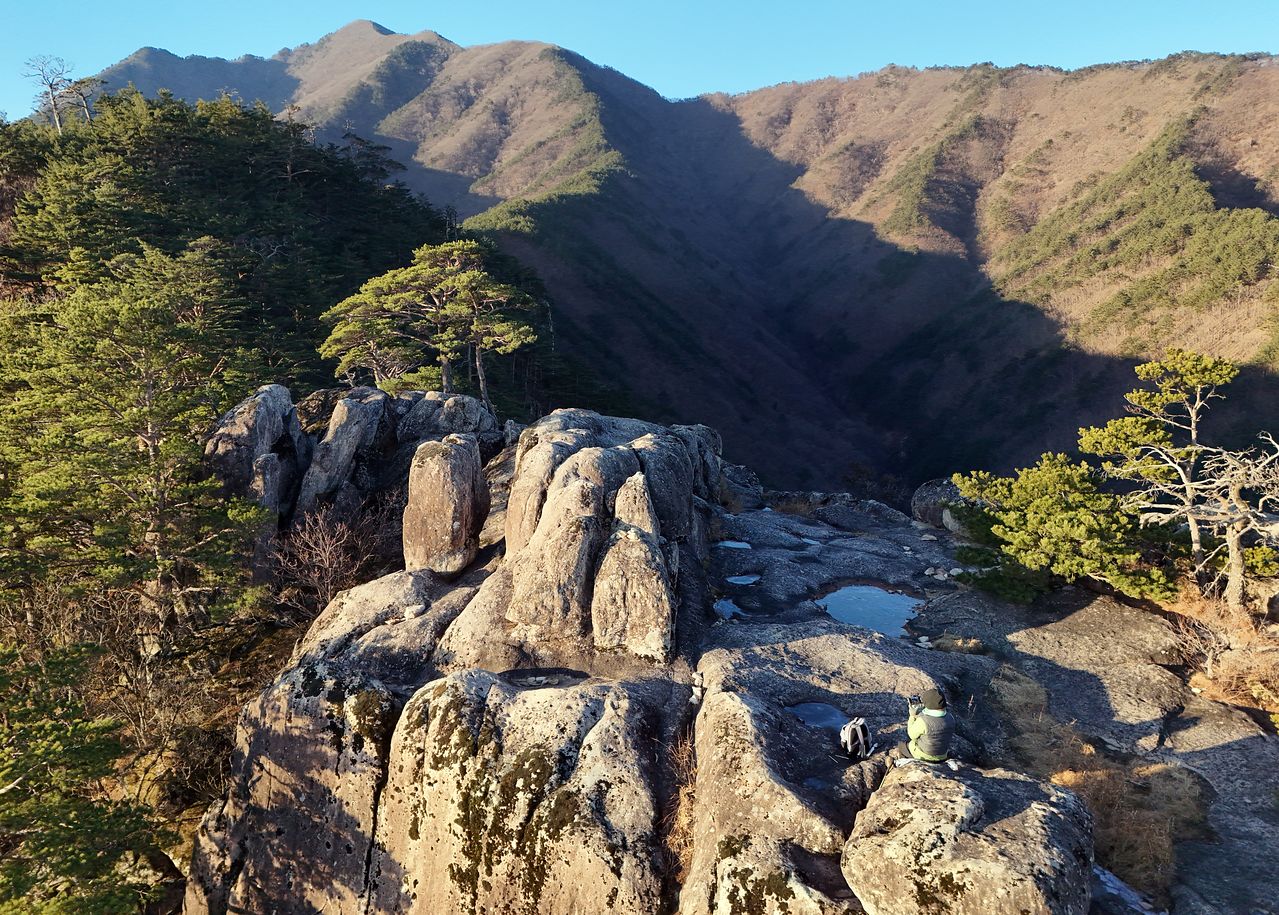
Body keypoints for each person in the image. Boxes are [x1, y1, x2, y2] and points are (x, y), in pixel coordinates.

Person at [895, 688, 954, 764]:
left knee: (902, 746)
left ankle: (902, 765)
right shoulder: (950, 717)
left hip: (924, 755)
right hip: (942, 755)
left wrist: (912, 716)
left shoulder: (923, 721)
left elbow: (911, 735)